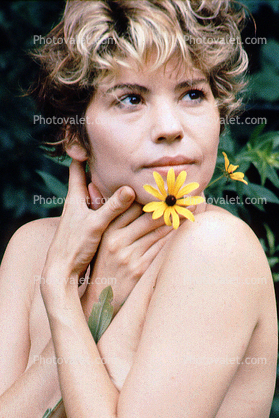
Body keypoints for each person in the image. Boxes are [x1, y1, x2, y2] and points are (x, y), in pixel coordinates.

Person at [0, 0, 277, 417]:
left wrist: (59, 292)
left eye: (192, 94)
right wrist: (88, 301)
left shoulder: (216, 249)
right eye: (130, 98)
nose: (169, 127)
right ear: (74, 133)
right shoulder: (30, 250)